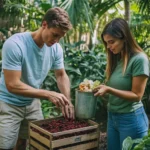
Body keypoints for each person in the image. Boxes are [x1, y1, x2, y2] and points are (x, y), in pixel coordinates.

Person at [0, 7, 75, 150]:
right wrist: (48, 94)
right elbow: (12, 84)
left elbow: (61, 75)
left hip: (32, 103)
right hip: (9, 103)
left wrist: (67, 100)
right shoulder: (15, 44)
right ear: (44, 24)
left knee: (35, 141)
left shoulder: (56, 48)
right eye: (54, 35)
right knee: (6, 146)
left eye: (60, 37)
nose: (56, 40)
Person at [93, 18, 149, 150]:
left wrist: (109, 90)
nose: (108, 47)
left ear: (124, 38)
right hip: (113, 117)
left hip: (130, 119)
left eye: (111, 42)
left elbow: (137, 95)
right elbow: (117, 89)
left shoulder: (139, 59)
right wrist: (102, 90)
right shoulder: (118, 60)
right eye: (106, 43)